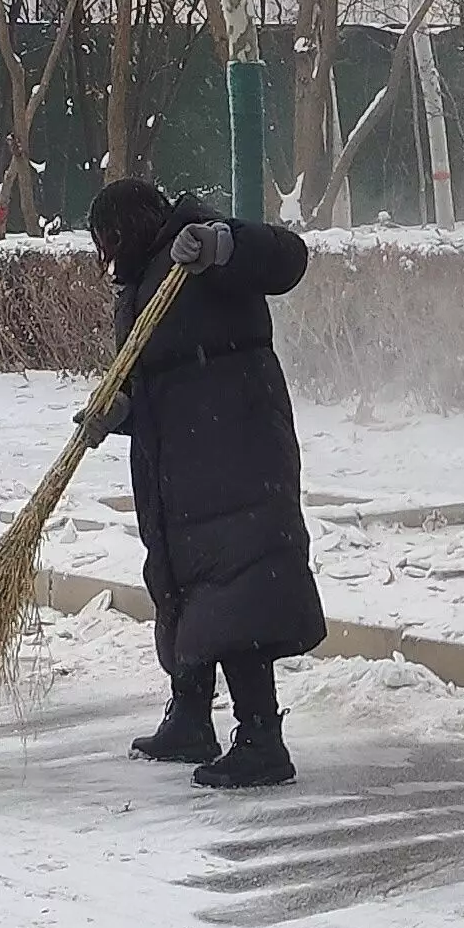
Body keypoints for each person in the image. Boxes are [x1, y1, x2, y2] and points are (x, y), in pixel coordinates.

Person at [86, 177, 325, 790]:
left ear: (134, 227)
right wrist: (119, 414)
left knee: (237, 591)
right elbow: (156, 380)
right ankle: (191, 717)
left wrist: (224, 246)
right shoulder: (141, 281)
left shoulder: (199, 246)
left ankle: (262, 739)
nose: (107, 257)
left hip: (236, 455)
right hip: (179, 463)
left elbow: (287, 258)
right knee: (182, 587)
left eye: (110, 241)